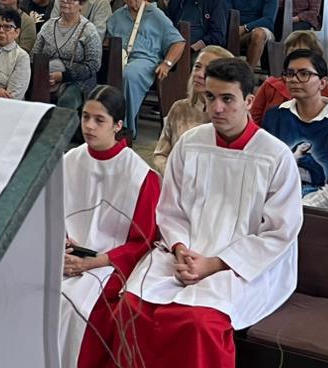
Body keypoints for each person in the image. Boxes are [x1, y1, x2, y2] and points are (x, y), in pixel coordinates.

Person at [116, 58, 302, 368]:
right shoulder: (191, 143)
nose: (216, 108)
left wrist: (213, 264)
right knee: (131, 306)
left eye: (227, 99)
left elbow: (279, 232)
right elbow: (170, 209)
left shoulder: (275, 156)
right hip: (184, 253)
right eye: (210, 97)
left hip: (243, 266)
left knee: (199, 322)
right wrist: (181, 249)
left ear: (249, 101)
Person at [59, 86, 159, 368]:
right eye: (85, 116)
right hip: (66, 257)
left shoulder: (140, 176)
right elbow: (52, 216)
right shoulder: (70, 160)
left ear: (117, 125)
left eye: (99, 120)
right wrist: (62, 247)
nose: (89, 126)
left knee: (73, 305)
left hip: (109, 264)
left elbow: (143, 242)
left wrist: (91, 263)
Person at [261, 47, 328, 209]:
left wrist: (300, 207)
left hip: (317, 208)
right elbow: (264, 166)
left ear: (323, 82)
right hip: (273, 199)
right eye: (289, 74)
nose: (294, 79)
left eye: (304, 74)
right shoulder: (275, 117)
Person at [105, 0, 185, 136]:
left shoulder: (154, 14)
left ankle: (125, 130)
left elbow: (178, 42)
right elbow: (106, 41)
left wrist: (167, 63)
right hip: (119, 59)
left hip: (146, 60)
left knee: (128, 75)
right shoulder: (117, 16)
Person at [150, 45, 234, 174]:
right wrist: (174, 176)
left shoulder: (229, 117)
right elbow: (159, 155)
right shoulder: (179, 108)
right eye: (197, 66)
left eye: (209, 70)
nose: (199, 74)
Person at [36, 0, 103, 114]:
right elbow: (35, 55)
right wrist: (44, 75)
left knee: (67, 101)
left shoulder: (88, 30)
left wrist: (62, 76)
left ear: (81, 4)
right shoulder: (48, 26)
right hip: (46, 76)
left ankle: (60, 133)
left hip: (77, 81)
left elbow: (93, 65)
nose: (66, 1)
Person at [249, 32, 328, 122]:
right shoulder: (270, 85)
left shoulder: (327, 94)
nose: (297, 57)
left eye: (303, 53)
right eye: (292, 52)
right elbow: (254, 121)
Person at [223, 0, 278, 66]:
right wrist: (235, 29)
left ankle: (248, 74)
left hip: (262, 32)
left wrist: (245, 27)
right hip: (235, 31)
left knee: (258, 33)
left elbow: (268, 20)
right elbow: (226, 15)